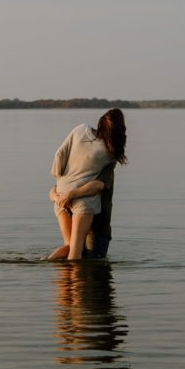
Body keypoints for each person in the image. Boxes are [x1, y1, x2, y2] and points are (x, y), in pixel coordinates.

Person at [47, 108, 127, 261]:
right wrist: (72, 193)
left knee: (69, 246)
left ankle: (44, 263)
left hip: (61, 196)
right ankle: (76, 284)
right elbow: (97, 185)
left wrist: (60, 184)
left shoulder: (80, 129)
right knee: (77, 256)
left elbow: (59, 154)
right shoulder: (110, 153)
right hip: (86, 205)